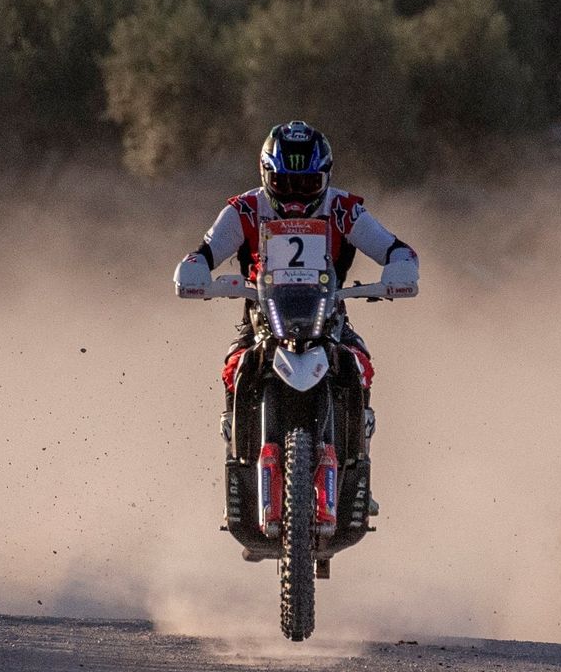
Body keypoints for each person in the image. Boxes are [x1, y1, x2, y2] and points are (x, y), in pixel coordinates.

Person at [173, 121, 418, 510]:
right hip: (262, 318)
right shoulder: (245, 209)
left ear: (324, 178)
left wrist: (400, 269)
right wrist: (195, 270)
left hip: (329, 316)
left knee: (358, 364)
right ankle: (237, 461)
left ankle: (358, 468)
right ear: (266, 175)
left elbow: (395, 249)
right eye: (285, 184)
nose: (294, 196)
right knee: (236, 367)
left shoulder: (343, 209)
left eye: (305, 185)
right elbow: (204, 252)